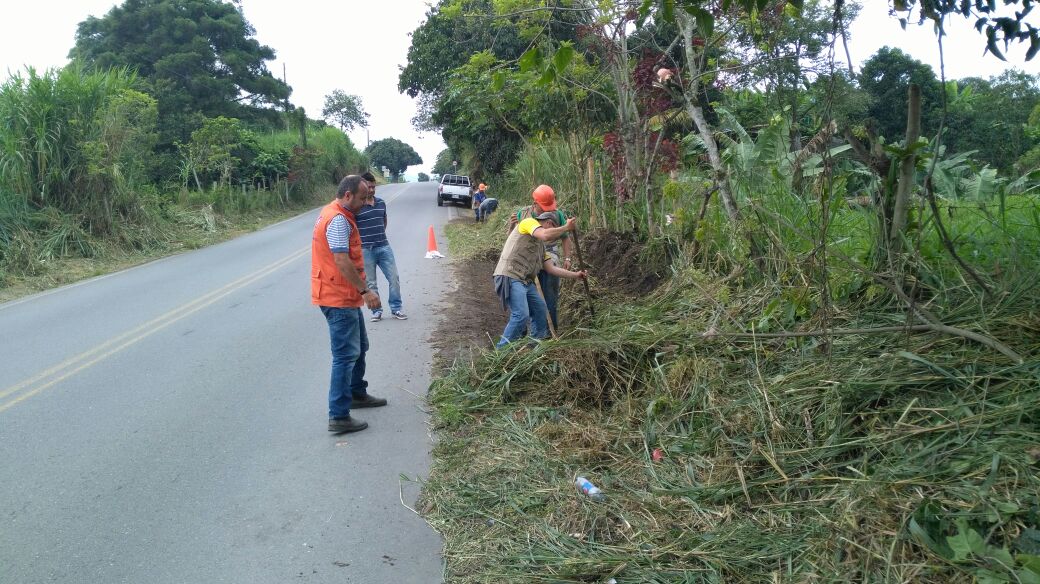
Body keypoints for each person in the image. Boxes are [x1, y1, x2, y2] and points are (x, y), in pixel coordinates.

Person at [311, 175, 389, 434]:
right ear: (347, 195)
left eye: (369, 197)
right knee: (345, 356)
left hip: (344, 295)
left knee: (360, 347)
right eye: (362, 197)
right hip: (338, 297)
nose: (366, 203)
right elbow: (342, 260)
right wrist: (366, 291)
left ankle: (357, 393)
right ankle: (339, 415)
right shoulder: (337, 220)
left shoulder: (337, 213)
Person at [493, 211, 586, 348]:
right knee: (521, 315)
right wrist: (566, 227)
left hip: (525, 281)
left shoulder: (541, 248)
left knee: (541, 310)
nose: (553, 238)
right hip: (510, 275)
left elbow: (551, 269)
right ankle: (501, 351)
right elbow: (545, 234)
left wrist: (576, 275)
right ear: (548, 223)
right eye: (554, 229)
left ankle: (534, 348)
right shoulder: (528, 222)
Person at [508, 184, 574, 330]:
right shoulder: (523, 214)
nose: (548, 210)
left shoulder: (558, 215)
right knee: (525, 296)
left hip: (549, 252)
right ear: (535, 203)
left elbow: (565, 238)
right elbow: (514, 240)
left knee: (550, 295)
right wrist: (511, 227)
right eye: (544, 206)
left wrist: (568, 258)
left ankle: (551, 331)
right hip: (528, 257)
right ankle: (526, 329)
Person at [355, 171, 406, 322]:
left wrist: (378, 235)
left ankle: (396, 308)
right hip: (365, 250)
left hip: (384, 247)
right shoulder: (357, 207)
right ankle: (376, 311)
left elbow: (383, 221)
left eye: (373, 187)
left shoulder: (381, 203)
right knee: (371, 283)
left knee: (394, 278)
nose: (371, 190)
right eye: (368, 187)